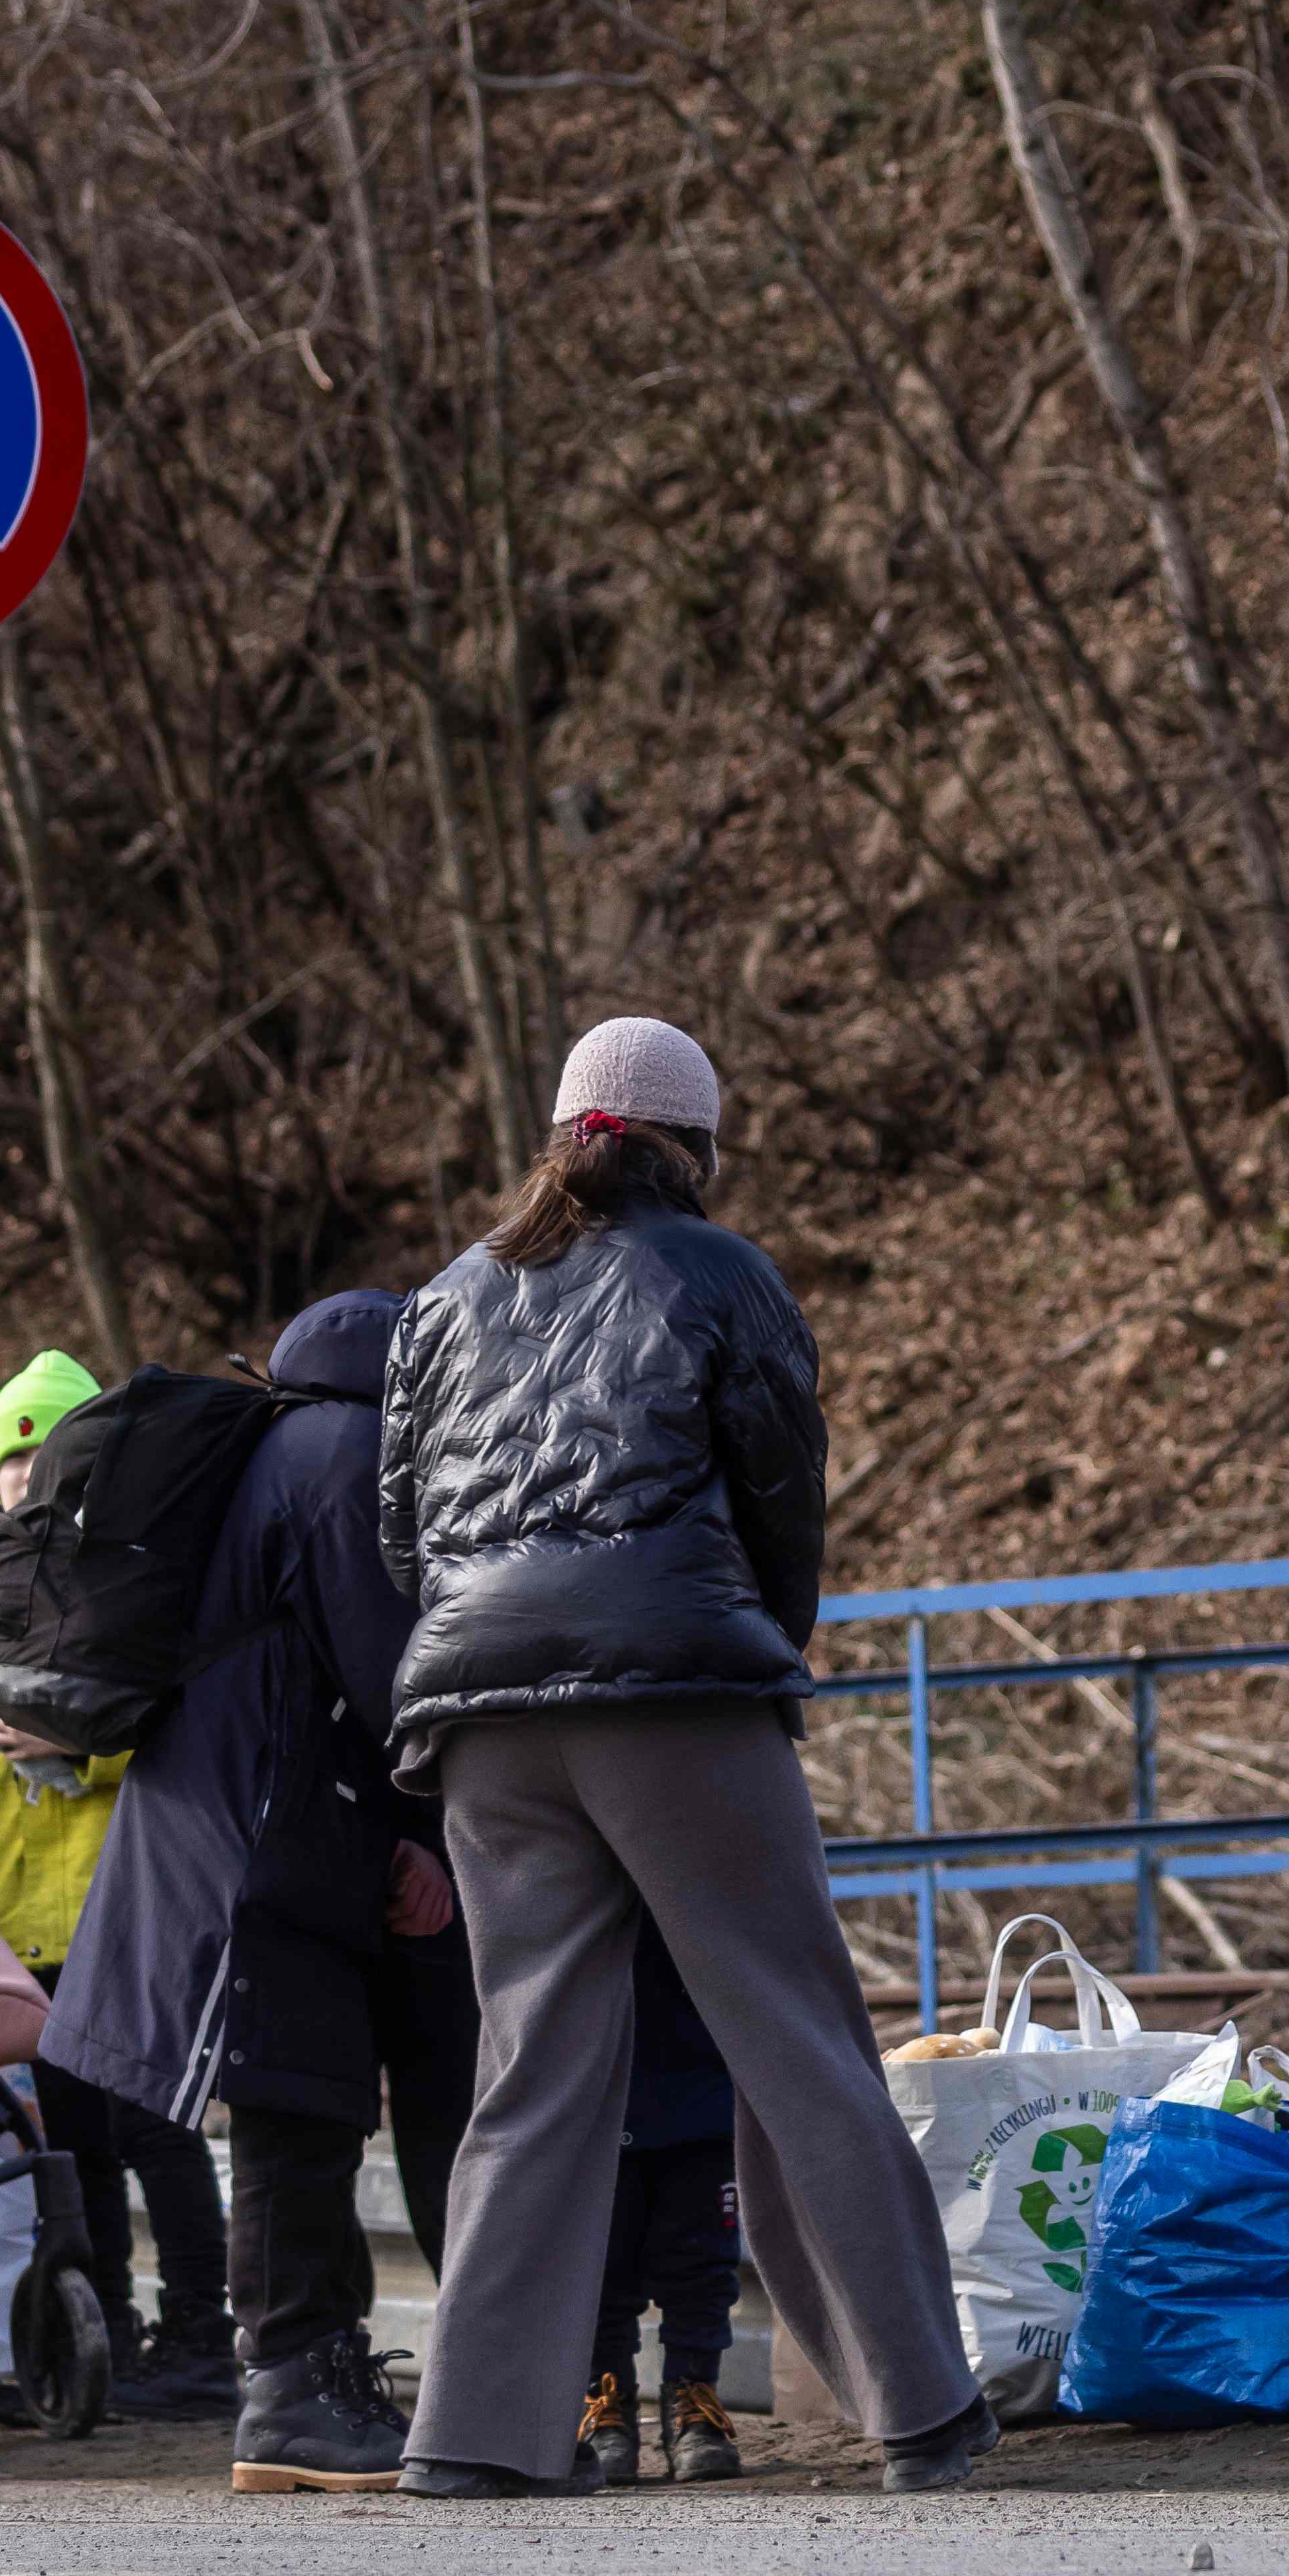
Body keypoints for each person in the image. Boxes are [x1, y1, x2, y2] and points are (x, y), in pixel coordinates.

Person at [375, 1015, 990, 2499]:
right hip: (672, 1689)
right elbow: (783, 1490)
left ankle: (470, 2436)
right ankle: (918, 2409)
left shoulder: (447, 1296)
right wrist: (758, 1649)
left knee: (527, 2067)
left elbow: (402, 1528)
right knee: (793, 2031)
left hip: (479, 1711)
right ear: (691, 1144)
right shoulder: (719, 1271)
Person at [40, 1285, 477, 2494]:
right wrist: (443, 1816)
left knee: (314, 2103)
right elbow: (398, 1675)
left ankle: (316, 2376)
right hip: (256, 1833)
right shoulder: (338, 1452)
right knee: (294, 2110)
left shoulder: (286, 1442)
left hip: (267, 1821)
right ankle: (290, 2389)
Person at [0, 1397, 234, 2427]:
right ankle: (110, 2329)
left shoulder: (136, 1584)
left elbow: (175, 1737)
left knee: (158, 2135)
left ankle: (199, 2333)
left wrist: (74, 1748)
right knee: (75, 2152)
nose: (26, 1479)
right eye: (10, 1459)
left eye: (45, 1457)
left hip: (124, 1913)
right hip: (18, 1932)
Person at [580, 1920, 743, 2484]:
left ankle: (694, 2404)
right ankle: (606, 2409)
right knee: (598, 2265)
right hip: (594, 2070)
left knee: (701, 2258)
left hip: (701, 2068)